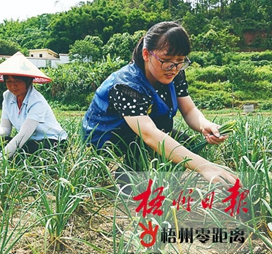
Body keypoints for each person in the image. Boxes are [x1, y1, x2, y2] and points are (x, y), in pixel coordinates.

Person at [82, 21, 238, 185]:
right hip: (108, 138)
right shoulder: (125, 86)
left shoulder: (175, 72)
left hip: (141, 131)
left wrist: (204, 125)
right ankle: (127, 183)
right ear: (146, 54)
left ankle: (165, 184)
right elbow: (149, 134)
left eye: (180, 60)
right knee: (142, 148)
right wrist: (204, 167)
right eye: (166, 60)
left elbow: (189, 109)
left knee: (187, 145)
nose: (174, 67)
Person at [0, 51, 68, 161]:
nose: (12, 85)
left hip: (52, 141)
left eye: (17, 81)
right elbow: (6, 128)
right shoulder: (7, 96)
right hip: (30, 141)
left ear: (28, 81)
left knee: (23, 151)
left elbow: (23, 136)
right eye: (8, 81)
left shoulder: (37, 101)